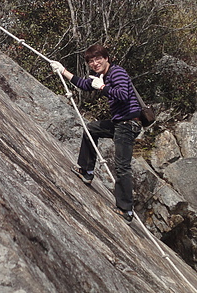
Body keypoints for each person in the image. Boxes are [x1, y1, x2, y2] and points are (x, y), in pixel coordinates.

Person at [50, 44, 142, 223]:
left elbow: (122, 94)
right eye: (91, 61)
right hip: (119, 123)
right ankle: (86, 171)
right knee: (91, 129)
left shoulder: (117, 73)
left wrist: (102, 88)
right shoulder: (102, 76)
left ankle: (126, 210)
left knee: (122, 166)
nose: (95, 63)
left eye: (98, 59)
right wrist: (63, 71)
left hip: (128, 124)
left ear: (106, 58)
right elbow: (85, 84)